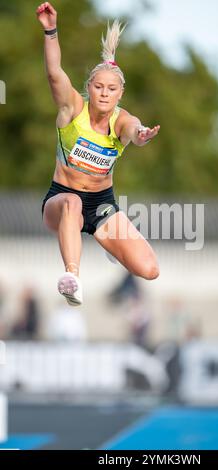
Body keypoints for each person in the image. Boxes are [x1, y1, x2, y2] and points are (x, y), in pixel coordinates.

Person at [36, 2, 160, 306]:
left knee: (150, 269)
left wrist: (141, 135)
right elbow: (54, 74)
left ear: (120, 94)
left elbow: (133, 129)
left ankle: (106, 243)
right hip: (62, 199)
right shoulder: (72, 110)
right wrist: (51, 31)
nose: (104, 93)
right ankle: (72, 278)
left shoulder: (121, 119)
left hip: (102, 205)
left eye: (111, 89)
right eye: (99, 87)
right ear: (88, 88)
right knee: (74, 203)